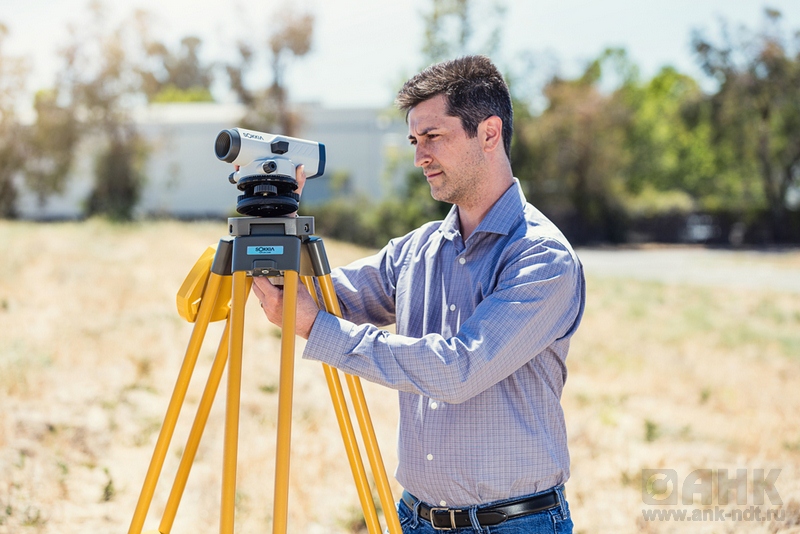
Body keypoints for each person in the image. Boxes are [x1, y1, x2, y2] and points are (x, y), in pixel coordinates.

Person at [253, 55, 585, 534]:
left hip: (514, 524)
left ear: (489, 133)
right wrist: (279, 220)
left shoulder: (541, 256)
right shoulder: (416, 250)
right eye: (414, 141)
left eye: (432, 137)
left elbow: (459, 368)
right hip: (416, 518)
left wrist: (315, 326)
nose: (419, 157)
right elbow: (324, 299)